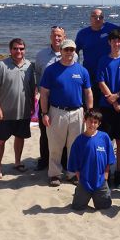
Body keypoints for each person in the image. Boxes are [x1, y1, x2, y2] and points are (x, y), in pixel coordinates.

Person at [40, 39, 93, 187]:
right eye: (66, 50)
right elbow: (44, 93)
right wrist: (44, 113)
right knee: (55, 145)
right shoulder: (51, 70)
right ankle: (54, 174)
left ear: (75, 52)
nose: (69, 52)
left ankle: (72, 174)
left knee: (74, 146)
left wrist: (89, 112)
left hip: (77, 112)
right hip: (57, 112)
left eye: (71, 50)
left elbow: (88, 93)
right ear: (61, 51)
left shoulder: (82, 71)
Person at [0, 38, 35, 178]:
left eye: (21, 48)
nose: (18, 51)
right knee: (1, 140)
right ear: (10, 50)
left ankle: (17, 162)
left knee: (20, 137)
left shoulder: (29, 66)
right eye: (15, 48)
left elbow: (32, 87)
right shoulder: (1, 66)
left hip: (23, 111)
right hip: (5, 112)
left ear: (24, 50)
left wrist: (33, 106)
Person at [34, 26, 77, 171]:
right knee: (45, 131)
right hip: (47, 99)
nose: (57, 38)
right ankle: (45, 159)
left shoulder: (73, 54)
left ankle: (64, 161)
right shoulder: (41, 55)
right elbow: (37, 75)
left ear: (64, 37)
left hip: (64, 100)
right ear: (50, 37)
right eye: (54, 35)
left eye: (60, 36)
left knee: (65, 134)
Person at [96, 30, 120, 189]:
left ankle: (119, 175)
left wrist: (117, 96)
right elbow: (100, 81)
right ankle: (105, 175)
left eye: (119, 41)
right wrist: (112, 100)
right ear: (109, 42)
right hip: (106, 107)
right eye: (114, 41)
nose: (116, 44)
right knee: (105, 142)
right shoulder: (103, 60)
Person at [68, 109, 115, 211]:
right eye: (90, 121)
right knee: (77, 207)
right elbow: (74, 161)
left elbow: (109, 158)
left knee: (105, 206)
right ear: (85, 120)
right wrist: (79, 177)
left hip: (101, 180)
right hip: (84, 180)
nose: (92, 124)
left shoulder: (104, 137)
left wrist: (106, 175)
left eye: (95, 122)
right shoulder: (79, 141)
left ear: (99, 124)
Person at [75, 8, 120, 105]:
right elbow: (75, 52)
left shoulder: (110, 29)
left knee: (107, 102)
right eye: (94, 17)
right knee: (91, 103)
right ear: (90, 18)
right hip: (90, 73)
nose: (98, 19)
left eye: (100, 17)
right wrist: (76, 68)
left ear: (104, 19)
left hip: (107, 73)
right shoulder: (82, 34)